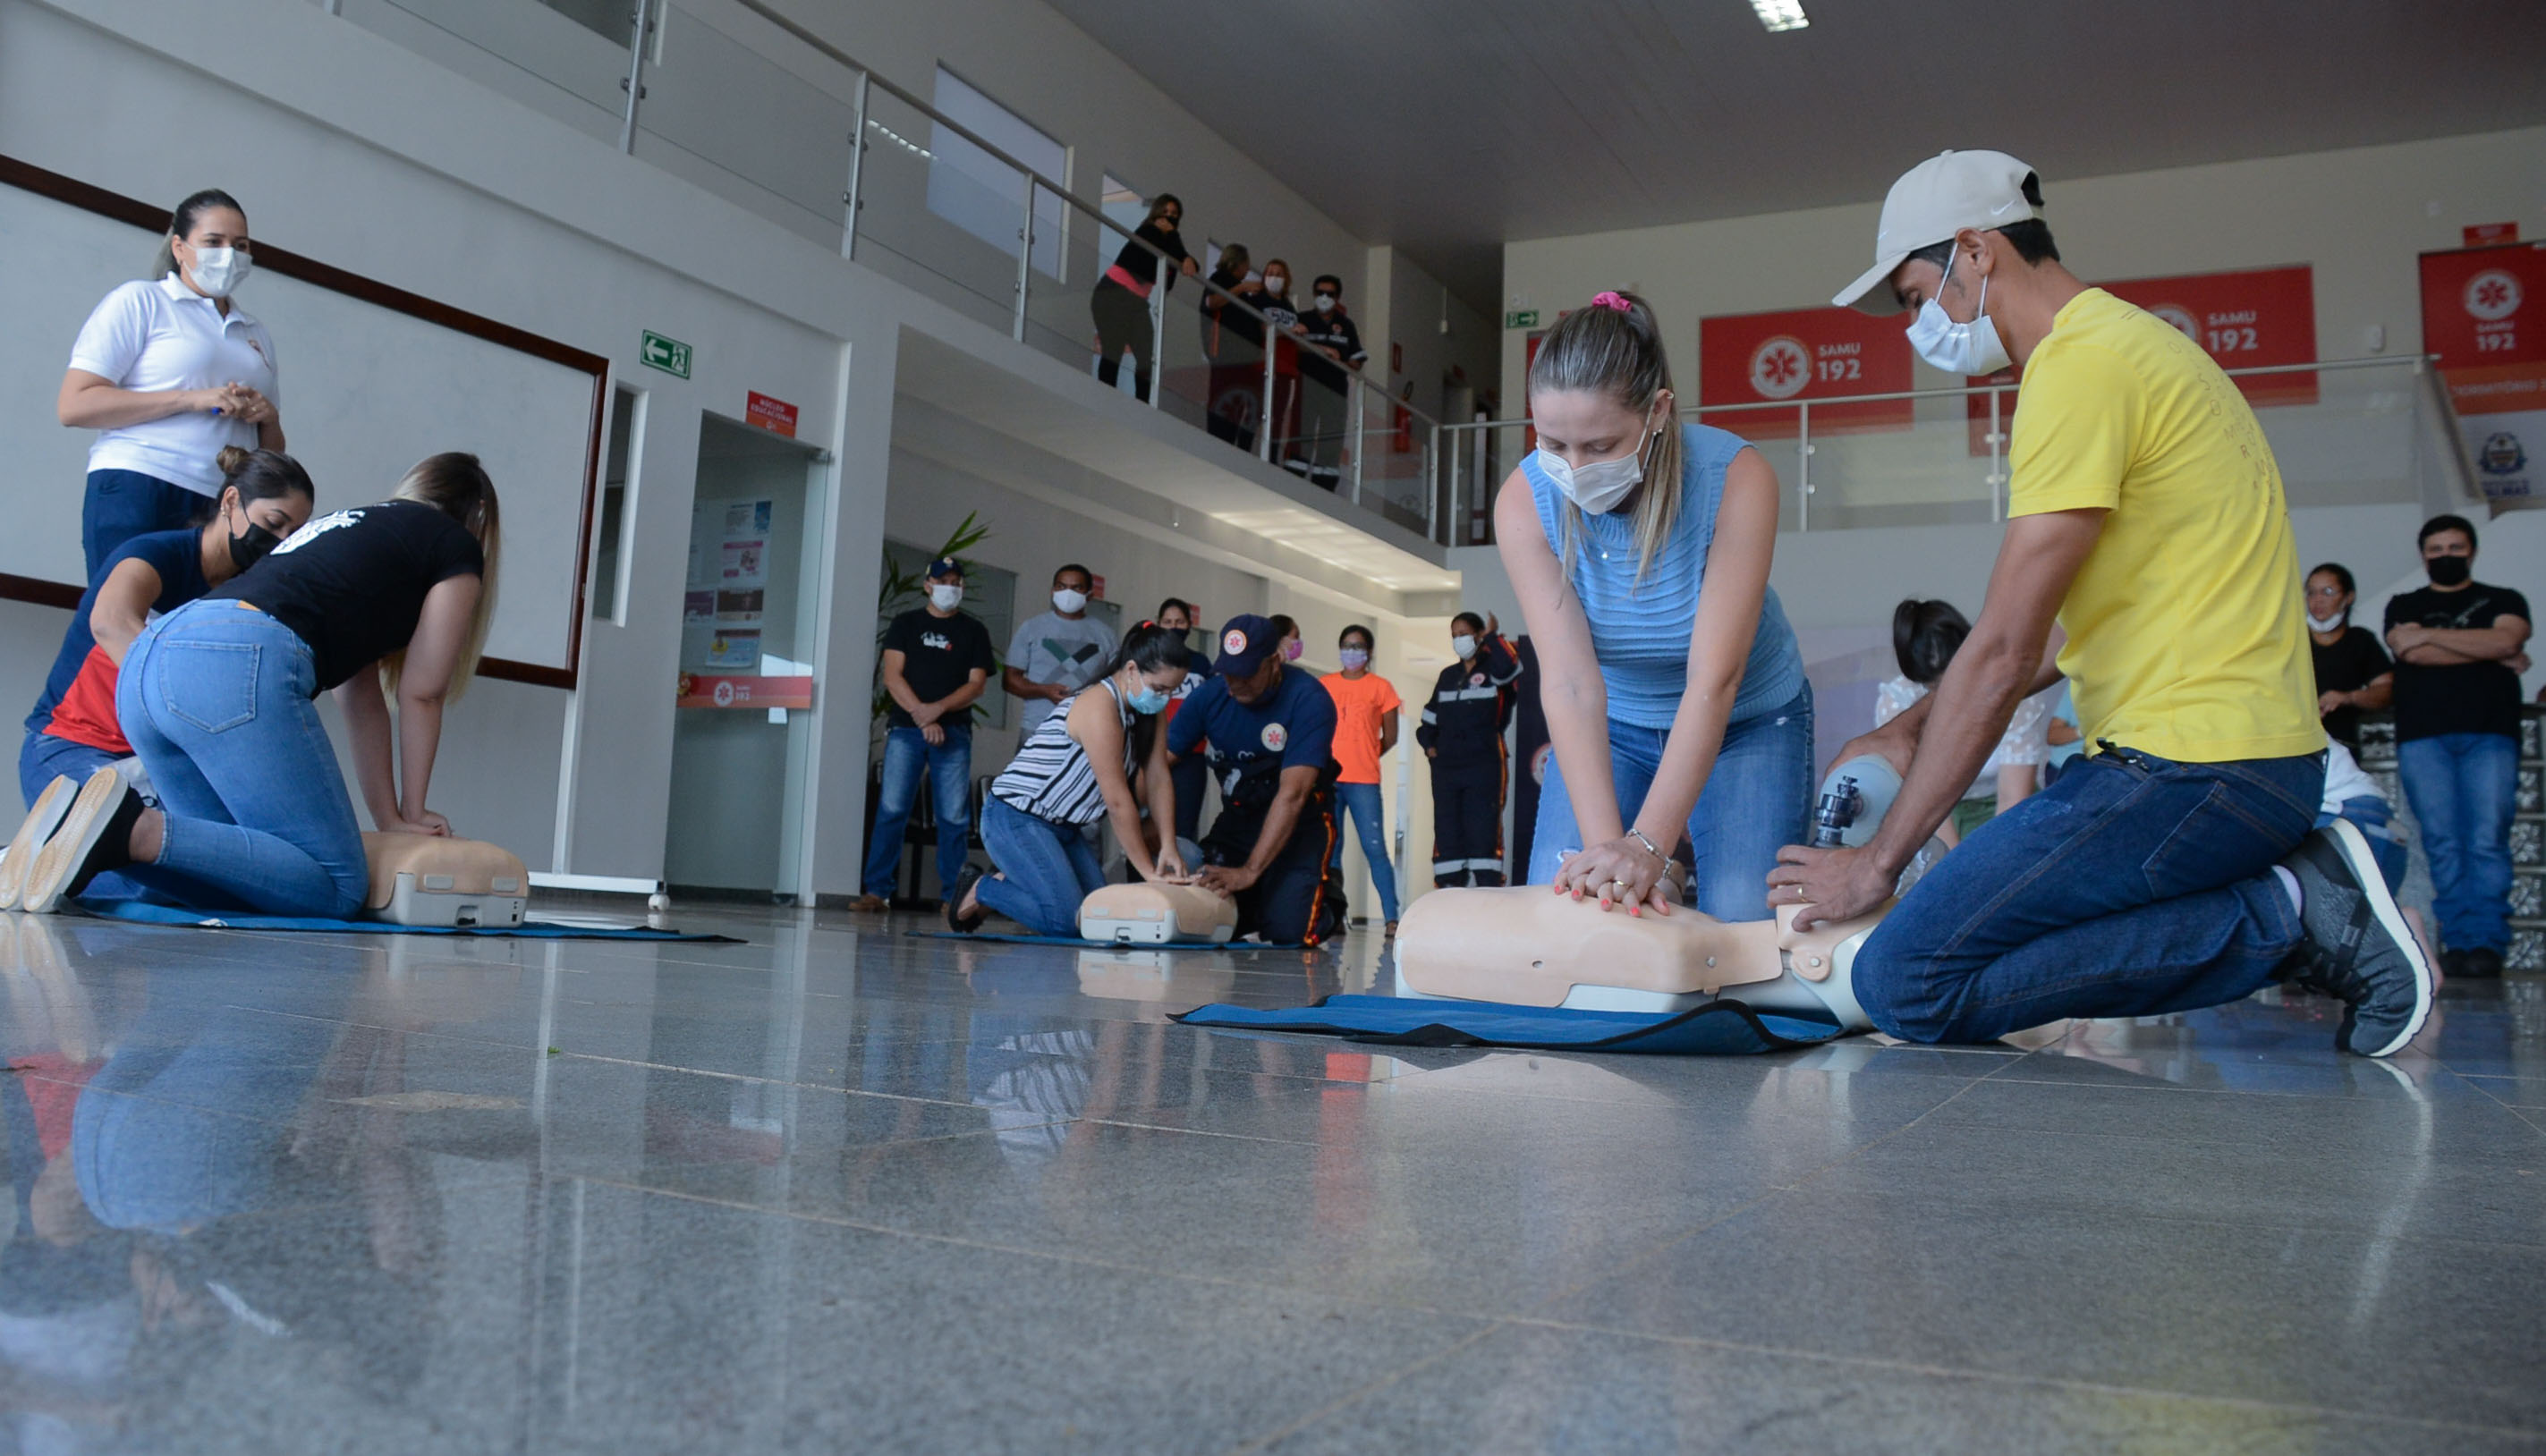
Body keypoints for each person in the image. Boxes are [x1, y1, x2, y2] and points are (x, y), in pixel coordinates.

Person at [1771, 148, 2428, 1057]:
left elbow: (2002, 648)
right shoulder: (2138, 348)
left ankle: (2292, 915)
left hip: (2192, 769)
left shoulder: (2077, 369)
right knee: (1967, 940)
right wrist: (1905, 728)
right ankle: (2294, 901)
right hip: (2236, 763)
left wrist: (1874, 864)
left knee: (1904, 980)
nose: (1918, 324)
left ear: (1974, 251)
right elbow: (2059, 636)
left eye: (1918, 296)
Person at [17, 453, 499, 918]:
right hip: (232, 658)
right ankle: (128, 830)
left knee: (231, 876)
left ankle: (60, 844)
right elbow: (423, 691)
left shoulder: (348, 529)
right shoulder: (454, 546)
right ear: (478, 526)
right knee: (336, 886)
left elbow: (359, 697)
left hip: (153, 660)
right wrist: (413, 810)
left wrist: (392, 819)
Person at [1493, 290, 1811, 923]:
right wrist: (1613, 858)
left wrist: (1647, 847)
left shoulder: (1737, 479)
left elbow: (1713, 682)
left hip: (1746, 720)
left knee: (1741, 924)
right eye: (1554, 444)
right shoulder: (1524, 501)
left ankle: (1679, 861)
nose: (1575, 469)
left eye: (1601, 446)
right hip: (1614, 726)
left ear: (1659, 410)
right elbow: (1571, 684)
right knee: (1576, 911)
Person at [2, 449, 316, 911]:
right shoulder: (155, 554)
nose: (281, 539)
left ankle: (42, 863)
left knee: (210, 884)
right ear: (231, 501)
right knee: (150, 883)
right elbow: (109, 622)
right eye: (274, 521)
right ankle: (22, 862)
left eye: (294, 533)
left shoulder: (246, 595)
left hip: (150, 767)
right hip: (69, 748)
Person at [60, 189, 284, 579]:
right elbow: (75, 405)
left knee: (193, 630)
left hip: (222, 502)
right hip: (143, 482)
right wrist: (190, 399)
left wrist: (268, 419)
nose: (229, 254)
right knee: (127, 619)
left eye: (240, 245)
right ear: (179, 247)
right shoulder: (142, 301)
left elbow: (273, 454)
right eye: (213, 242)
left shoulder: (256, 332)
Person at [948, 625, 1192, 937]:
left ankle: (1015, 878)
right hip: (1016, 817)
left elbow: (1158, 777)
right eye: (1159, 688)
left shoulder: (1150, 709)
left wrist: (1169, 845)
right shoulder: (1099, 706)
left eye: (1173, 690)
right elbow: (1117, 802)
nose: (1165, 697)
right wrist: (1148, 871)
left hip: (1064, 828)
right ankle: (982, 888)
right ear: (1131, 669)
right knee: (1066, 923)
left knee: (1094, 920)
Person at [2385, 515, 2532, 979]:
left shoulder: (2504, 600)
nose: (2445, 556)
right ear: (2423, 553)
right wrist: (2484, 648)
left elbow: (2508, 638)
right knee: (2442, 843)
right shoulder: (2403, 603)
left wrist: (2428, 634)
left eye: (2454, 547)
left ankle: (2485, 944)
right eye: (2436, 549)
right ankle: (2458, 940)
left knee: (2487, 839)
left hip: (2490, 734)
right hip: (2423, 737)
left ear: (2470, 551)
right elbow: (2408, 652)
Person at [1167, 614, 1345, 945]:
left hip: (1300, 824)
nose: (1236, 685)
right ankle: (1264, 895)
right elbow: (1162, 761)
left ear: (1274, 661)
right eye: (1229, 674)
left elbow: (1292, 795)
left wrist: (1249, 871)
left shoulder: (1308, 699)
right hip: (1238, 819)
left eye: (1247, 674)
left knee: (1288, 933)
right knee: (1207, 920)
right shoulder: (1211, 696)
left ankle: (1326, 893)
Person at [854, 557, 996, 913]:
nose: (950, 587)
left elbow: (976, 685)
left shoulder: (974, 630)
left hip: (954, 732)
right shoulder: (906, 624)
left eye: (956, 581)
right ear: (927, 585)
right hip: (906, 730)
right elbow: (892, 676)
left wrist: (939, 710)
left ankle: (953, 895)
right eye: (942, 581)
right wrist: (923, 715)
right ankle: (877, 892)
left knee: (953, 817)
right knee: (892, 810)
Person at [1875, 598, 2056, 837]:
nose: (1949, 694)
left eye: (1953, 678)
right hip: (1933, 815)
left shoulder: (2014, 693)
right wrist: (1952, 863)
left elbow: (2013, 798)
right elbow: (1924, 802)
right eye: (1933, 686)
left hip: (2008, 810)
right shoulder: (1899, 702)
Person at [1417, 612, 1523, 887]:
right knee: (1447, 831)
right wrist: (1430, 747)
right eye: (1454, 635)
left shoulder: (1493, 671)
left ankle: (1488, 896)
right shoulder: (1448, 676)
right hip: (1447, 770)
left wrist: (1491, 637)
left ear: (1477, 635)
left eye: (1463, 634)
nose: (1458, 640)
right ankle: (1449, 895)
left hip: (1484, 766)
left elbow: (1510, 668)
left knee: (1483, 830)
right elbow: (1428, 721)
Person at [1321, 624, 1403, 933]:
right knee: (1331, 848)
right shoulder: (1324, 684)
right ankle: (1333, 916)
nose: (1352, 651)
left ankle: (1392, 918)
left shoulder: (1381, 687)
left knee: (1375, 849)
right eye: (1346, 645)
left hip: (1364, 779)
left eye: (1358, 646)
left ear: (1369, 652)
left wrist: (1365, 752)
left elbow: (1391, 737)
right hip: (1329, 779)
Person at [1089, 194, 1199, 402]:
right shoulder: (1147, 231)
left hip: (1137, 302)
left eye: (1174, 214)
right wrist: (1180, 247)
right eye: (1165, 212)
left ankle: (1142, 406)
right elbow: (1171, 253)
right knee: (1113, 350)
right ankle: (1105, 399)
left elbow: (1189, 263)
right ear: (1156, 213)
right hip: (1113, 293)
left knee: (1145, 358)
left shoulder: (1171, 242)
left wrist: (1185, 257)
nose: (1168, 218)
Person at [1005, 564, 1117, 740]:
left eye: (1076, 588)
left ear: (1090, 595)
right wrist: (1044, 690)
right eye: (1061, 586)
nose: (1067, 592)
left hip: (1087, 731)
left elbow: (1116, 683)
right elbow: (1010, 680)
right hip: (1036, 728)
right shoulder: (1032, 628)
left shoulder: (1106, 634)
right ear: (1052, 591)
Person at [1294, 275, 1370, 490]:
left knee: (1332, 433)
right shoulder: (1303, 319)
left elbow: (1357, 359)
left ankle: (1325, 481)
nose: (1324, 297)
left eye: (1330, 294)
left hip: (1335, 389)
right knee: (1302, 430)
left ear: (1338, 297)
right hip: (1307, 384)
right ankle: (1296, 472)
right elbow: (1293, 345)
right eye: (1320, 292)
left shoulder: (1345, 325)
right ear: (1314, 293)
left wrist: (1343, 361)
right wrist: (1323, 350)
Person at [2307, 563, 2393, 751]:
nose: (2317, 600)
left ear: (2348, 597)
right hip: (2297, 744)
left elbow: (2386, 690)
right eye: (2311, 592)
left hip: (2342, 744)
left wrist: (2347, 697)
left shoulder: (2360, 640)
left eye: (2327, 591)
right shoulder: (2294, 638)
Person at [1154, 597, 1216, 843]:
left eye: (1179, 621)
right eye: (1167, 622)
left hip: (1191, 756)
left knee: (1183, 829)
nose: (1173, 627)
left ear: (1190, 625)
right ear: (1158, 624)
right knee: (1147, 825)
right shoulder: (1147, 659)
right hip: (1151, 752)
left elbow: (1211, 708)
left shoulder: (1200, 663)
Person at [1201, 245, 1265, 450]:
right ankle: (1218, 444)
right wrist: (1242, 288)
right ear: (1238, 263)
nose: (1247, 270)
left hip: (1244, 360)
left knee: (1239, 405)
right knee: (1222, 402)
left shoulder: (1243, 294)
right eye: (1246, 265)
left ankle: (1231, 446)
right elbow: (1211, 302)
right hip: (1225, 355)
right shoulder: (1219, 279)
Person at [1255, 260, 1306, 468]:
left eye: (1278, 274)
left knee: (1278, 415)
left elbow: (1295, 337)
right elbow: (1259, 329)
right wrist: (1286, 331)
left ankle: (1272, 456)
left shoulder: (1289, 306)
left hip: (1285, 367)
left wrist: (1300, 332)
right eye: (1270, 273)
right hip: (1263, 365)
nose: (1274, 277)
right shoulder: (1258, 300)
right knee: (1258, 410)